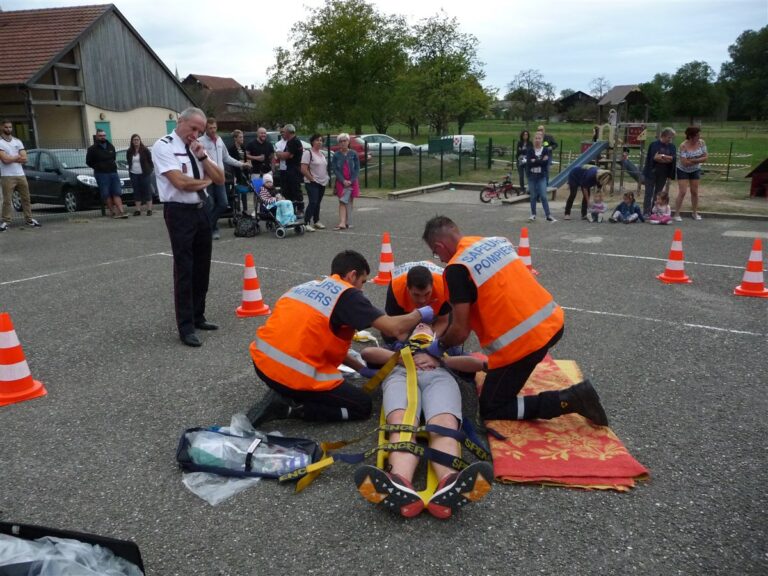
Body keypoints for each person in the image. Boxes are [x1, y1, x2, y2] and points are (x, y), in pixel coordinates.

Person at [421, 216, 608, 426]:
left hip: (523, 344)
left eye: (437, 254)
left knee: (492, 407)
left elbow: (460, 331)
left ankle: (570, 399)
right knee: (501, 375)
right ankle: (501, 370)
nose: (442, 259)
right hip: (552, 324)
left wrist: (438, 346)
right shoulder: (494, 241)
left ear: (439, 246)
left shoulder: (457, 268)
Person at [247, 250, 435, 425]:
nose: (361, 289)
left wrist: (361, 368)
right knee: (362, 406)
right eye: (363, 281)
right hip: (291, 374)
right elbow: (393, 328)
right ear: (352, 275)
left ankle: (287, 392)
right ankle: (290, 409)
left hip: (262, 364)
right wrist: (421, 313)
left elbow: (324, 343)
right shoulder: (347, 296)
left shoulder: (306, 287)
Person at [354, 323, 493, 519]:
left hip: (439, 375)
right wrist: (403, 358)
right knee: (401, 425)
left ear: (435, 333)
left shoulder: (446, 346)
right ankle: (400, 482)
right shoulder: (398, 346)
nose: (421, 325)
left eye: (427, 325)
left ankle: (449, 482)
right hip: (400, 374)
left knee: (444, 426)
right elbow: (368, 352)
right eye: (417, 326)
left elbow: (478, 365)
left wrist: (442, 358)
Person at [151, 107, 225, 348]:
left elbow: (220, 178)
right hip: (179, 212)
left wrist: (202, 157)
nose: (195, 134)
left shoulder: (197, 148)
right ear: (180, 121)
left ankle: (198, 315)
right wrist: (204, 182)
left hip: (202, 209)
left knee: (203, 266)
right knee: (185, 268)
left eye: (200, 131)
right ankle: (185, 326)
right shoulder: (164, 146)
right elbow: (179, 182)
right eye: (193, 129)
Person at [198, 118, 249, 240]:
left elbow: (226, 157)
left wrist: (241, 164)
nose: (213, 130)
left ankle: (206, 226)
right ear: (205, 128)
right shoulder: (200, 141)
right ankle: (213, 229)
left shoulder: (219, 140)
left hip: (220, 177)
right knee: (210, 204)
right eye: (210, 128)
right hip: (207, 178)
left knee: (223, 203)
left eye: (215, 128)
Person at [383, 261, 450, 346]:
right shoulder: (396, 288)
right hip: (405, 314)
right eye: (416, 295)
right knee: (388, 334)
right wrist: (410, 342)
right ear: (407, 288)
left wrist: (431, 340)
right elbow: (394, 325)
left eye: (427, 294)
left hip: (436, 312)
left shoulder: (444, 287)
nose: (422, 300)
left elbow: (443, 321)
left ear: (432, 286)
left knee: (451, 332)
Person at [0, 120, 40, 231]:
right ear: (1, 128)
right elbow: (4, 160)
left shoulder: (17, 141)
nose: (8, 129)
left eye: (10, 127)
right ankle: (5, 221)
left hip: (20, 175)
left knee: (26, 198)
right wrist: (17, 157)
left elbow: (25, 158)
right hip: (7, 176)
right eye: (6, 127)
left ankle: (29, 219)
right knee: (7, 200)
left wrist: (12, 158)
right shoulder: (0, 143)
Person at [86, 128, 128, 219]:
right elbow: (88, 162)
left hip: (113, 173)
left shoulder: (111, 146)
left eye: (104, 135)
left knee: (116, 192)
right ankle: (113, 213)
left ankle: (121, 212)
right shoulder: (92, 149)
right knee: (106, 194)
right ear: (97, 136)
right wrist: (98, 167)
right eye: (100, 136)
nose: (102, 137)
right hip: (101, 174)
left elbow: (113, 158)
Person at [673, 126, 708, 221]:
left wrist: (692, 160)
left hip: (695, 170)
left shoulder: (702, 143)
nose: (699, 137)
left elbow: (705, 157)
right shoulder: (683, 145)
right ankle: (676, 213)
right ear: (691, 136)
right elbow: (684, 162)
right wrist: (698, 159)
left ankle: (695, 212)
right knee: (683, 191)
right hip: (682, 169)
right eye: (697, 135)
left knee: (695, 192)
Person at [642, 128, 677, 217]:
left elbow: (672, 159)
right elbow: (655, 158)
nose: (670, 139)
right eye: (669, 137)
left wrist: (663, 157)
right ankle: (646, 212)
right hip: (651, 172)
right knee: (648, 193)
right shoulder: (654, 144)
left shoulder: (672, 146)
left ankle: (655, 211)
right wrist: (666, 158)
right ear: (664, 136)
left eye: (671, 138)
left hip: (663, 173)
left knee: (658, 193)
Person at [300, 133, 329, 231]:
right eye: (317, 140)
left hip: (322, 182)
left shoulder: (322, 154)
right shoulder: (308, 153)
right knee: (313, 202)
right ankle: (306, 222)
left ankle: (316, 221)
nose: (319, 142)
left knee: (318, 202)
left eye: (321, 140)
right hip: (312, 182)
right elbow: (303, 169)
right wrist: (311, 178)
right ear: (312, 142)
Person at [331, 133, 360, 230]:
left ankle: (348, 220)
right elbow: (335, 169)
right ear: (339, 143)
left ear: (348, 142)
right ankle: (342, 222)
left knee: (350, 201)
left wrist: (351, 181)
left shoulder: (353, 153)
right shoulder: (336, 155)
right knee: (342, 201)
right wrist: (343, 181)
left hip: (352, 181)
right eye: (341, 141)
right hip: (341, 181)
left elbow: (357, 169)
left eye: (345, 141)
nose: (343, 143)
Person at [274, 124, 304, 217]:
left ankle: (300, 210)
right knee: (287, 190)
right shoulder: (291, 141)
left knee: (295, 189)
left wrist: (278, 154)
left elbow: (287, 155)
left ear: (288, 132)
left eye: (284, 132)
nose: (283, 134)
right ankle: (291, 209)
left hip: (294, 168)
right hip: (289, 168)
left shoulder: (293, 141)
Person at [525, 132, 556, 222]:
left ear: (542, 140)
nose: (537, 140)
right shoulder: (530, 150)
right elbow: (529, 163)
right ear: (533, 140)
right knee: (533, 196)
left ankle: (548, 215)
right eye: (536, 138)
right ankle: (533, 214)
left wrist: (535, 160)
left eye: (539, 138)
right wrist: (539, 160)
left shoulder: (545, 150)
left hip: (541, 176)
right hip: (532, 176)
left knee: (543, 196)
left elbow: (545, 163)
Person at [126, 134, 154, 216]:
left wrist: (149, 170)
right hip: (134, 174)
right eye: (134, 139)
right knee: (136, 191)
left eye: (137, 139)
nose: (136, 141)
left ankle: (149, 210)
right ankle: (138, 210)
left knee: (147, 191)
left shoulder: (145, 150)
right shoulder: (129, 151)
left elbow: (150, 161)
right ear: (132, 141)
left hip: (144, 174)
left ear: (140, 140)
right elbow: (128, 161)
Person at [228, 129, 252, 215]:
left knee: (244, 192)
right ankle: (237, 210)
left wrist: (248, 166)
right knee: (237, 192)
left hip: (244, 173)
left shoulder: (243, 147)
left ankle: (245, 210)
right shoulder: (231, 149)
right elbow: (230, 162)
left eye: (243, 137)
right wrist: (233, 175)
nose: (242, 139)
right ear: (235, 138)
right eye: (240, 137)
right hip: (236, 173)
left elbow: (245, 159)